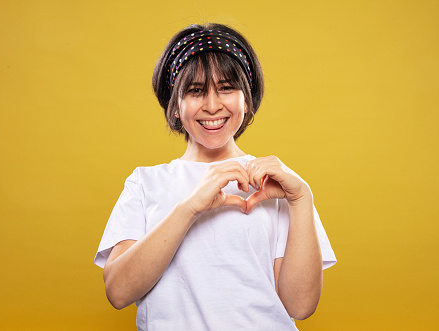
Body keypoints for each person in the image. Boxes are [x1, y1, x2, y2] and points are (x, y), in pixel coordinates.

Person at [95, 23, 336, 330]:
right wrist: (190, 207)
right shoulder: (145, 184)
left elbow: (300, 306)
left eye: (226, 88)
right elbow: (118, 292)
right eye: (196, 91)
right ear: (175, 107)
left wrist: (302, 198)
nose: (212, 105)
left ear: (246, 99)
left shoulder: (277, 185)